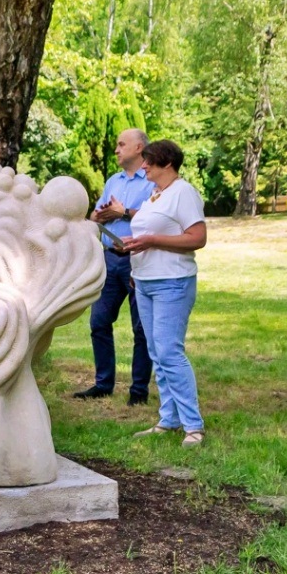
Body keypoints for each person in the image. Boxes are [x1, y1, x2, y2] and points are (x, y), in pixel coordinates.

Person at [123, 140, 208, 447]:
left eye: (149, 161)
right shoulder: (154, 195)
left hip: (173, 282)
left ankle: (193, 426)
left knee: (170, 352)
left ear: (167, 164)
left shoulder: (183, 193)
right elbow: (147, 237)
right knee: (157, 353)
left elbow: (198, 237)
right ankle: (168, 419)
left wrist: (152, 241)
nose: (143, 166)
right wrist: (134, 256)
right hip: (144, 281)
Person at [73, 129, 155, 406]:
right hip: (109, 259)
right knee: (98, 323)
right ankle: (103, 383)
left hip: (138, 260)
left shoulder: (153, 181)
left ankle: (139, 391)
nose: (117, 150)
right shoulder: (113, 181)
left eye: (122, 145)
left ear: (138, 147)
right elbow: (96, 215)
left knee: (141, 328)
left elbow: (160, 217)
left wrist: (125, 212)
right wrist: (101, 214)